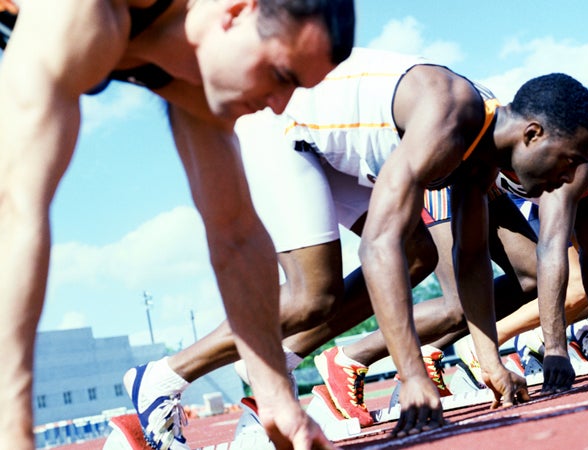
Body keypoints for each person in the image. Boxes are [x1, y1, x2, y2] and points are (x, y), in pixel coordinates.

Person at [128, 48, 588, 440]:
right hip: (281, 125)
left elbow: (470, 258)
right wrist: (412, 374)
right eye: (567, 162)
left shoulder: (482, 144)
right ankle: (161, 378)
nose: (567, 178)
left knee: (422, 254)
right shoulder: (450, 119)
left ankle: (280, 361)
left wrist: (490, 361)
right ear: (532, 134)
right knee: (312, 296)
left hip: (331, 149)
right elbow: (378, 246)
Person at [0, 1, 355, 448]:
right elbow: (15, 205)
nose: (280, 106)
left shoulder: (197, 84)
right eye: (282, 75)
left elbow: (236, 234)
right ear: (237, 11)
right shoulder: (80, 13)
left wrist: (277, 400)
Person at [313, 124, 588, 415]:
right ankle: (349, 356)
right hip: (448, 175)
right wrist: (556, 351)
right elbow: (551, 251)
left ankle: (430, 347)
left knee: (529, 281)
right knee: (458, 305)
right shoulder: (579, 160)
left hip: (484, 185)